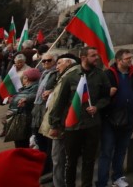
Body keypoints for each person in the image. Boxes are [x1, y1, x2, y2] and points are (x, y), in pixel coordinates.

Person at [48, 46, 111, 187]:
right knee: (71, 161)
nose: (97, 58)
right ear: (83, 58)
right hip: (73, 126)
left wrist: (97, 107)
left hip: (92, 125)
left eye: (97, 55)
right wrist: (54, 124)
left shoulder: (101, 75)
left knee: (89, 161)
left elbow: (106, 97)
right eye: (93, 55)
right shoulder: (70, 77)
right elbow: (60, 102)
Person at [98, 49, 133, 187]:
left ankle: (117, 177)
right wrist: (108, 93)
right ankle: (102, 182)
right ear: (118, 61)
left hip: (128, 118)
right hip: (110, 119)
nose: (130, 60)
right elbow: (99, 95)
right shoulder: (107, 74)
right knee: (106, 151)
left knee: (121, 150)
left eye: (131, 58)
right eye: (127, 58)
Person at [40, 53, 79, 187]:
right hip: (57, 123)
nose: (57, 67)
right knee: (57, 158)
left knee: (59, 158)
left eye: (59, 63)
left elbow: (65, 104)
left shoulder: (70, 76)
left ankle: (59, 183)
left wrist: (56, 125)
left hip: (61, 125)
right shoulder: (63, 76)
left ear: (68, 63)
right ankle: (57, 180)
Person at [31, 53, 59, 179]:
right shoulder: (44, 72)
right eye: (43, 61)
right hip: (38, 109)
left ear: (55, 61)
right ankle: (44, 167)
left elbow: (58, 89)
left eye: (48, 61)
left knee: (46, 143)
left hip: (45, 110)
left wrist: (51, 92)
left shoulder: (55, 73)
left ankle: (48, 169)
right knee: (39, 140)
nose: (45, 63)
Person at [7, 67, 41, 148]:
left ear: (27, 78)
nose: (23, 79)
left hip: (25, 119)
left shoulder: (35, 87)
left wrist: (16, 100)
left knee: (22, 143)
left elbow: (33, 96)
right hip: (23, 118)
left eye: (24, 77)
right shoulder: (29, 87)